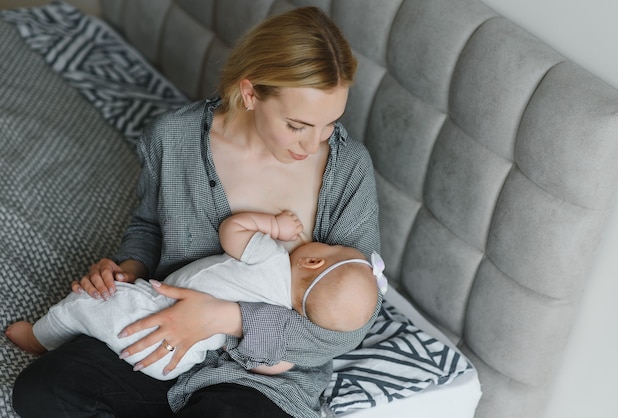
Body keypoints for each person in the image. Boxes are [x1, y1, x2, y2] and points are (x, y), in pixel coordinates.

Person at [12, 6, 381, 418]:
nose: (313, 145)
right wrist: (126, 269)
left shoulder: (348, 169)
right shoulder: (174, 137)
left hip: (263, 376)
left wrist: (226, 317)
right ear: (250, 94)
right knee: (41, 391)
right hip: (159, 327)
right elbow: (149, 226)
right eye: (298, 125)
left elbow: (351, 324)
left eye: (329, 124)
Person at [7, 210, 387, 380]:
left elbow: (232, 229)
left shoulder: (269, 258)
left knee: (86, 305)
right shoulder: (280, 317)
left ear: (314, 260)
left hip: (155, 312)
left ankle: (40, 337)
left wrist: (273, 225)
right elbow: (267, 365)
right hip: (178, 362)